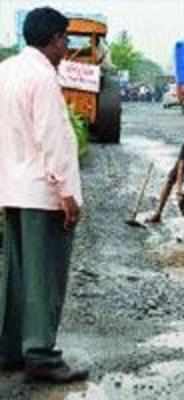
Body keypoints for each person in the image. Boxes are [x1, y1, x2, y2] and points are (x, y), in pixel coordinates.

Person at [0, 7, 88, 383]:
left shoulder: (6, 72)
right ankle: (40, 355)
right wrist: (67, 193)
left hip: (13, 189)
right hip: (42, 191)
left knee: (17, 274)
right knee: (45, 276)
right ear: (54, 39)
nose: (67, 47)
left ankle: (10, 349)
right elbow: (53, 139)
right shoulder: (43, 77)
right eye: (65, 40)